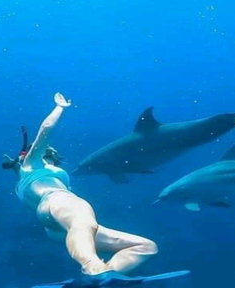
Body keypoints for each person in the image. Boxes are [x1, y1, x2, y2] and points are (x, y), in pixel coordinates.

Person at [13, 93, 160, 284]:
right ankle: (92, 268)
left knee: (146, 247)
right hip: (58, 202)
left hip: (57, 228)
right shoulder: (32, 164)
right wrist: (60, 107)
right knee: (82, 222)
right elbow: (46, 129)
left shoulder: (25, 181)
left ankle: (104, 277)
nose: (52, 150)